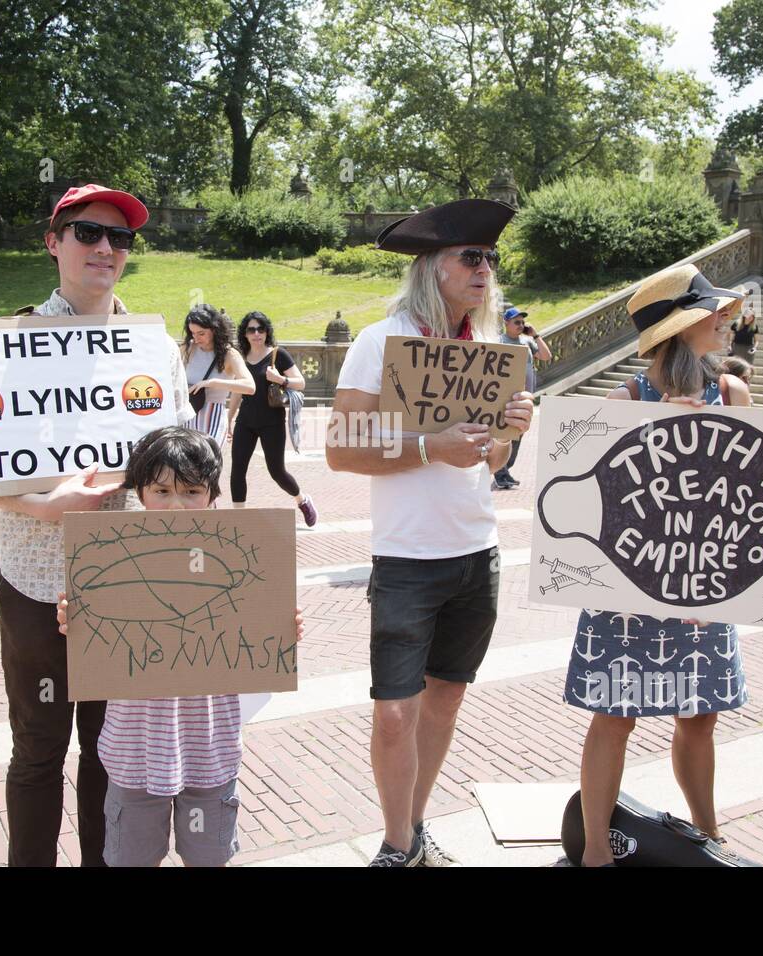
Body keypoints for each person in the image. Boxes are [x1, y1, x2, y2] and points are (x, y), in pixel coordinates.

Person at [0, 183, 193, 866]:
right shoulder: (11, 342)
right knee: (39, 752)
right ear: (54, 242)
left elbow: (183, 454)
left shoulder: (154, 346)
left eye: (120, 238)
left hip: (126, 581)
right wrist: (44, 506)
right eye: (87, 233)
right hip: (38, 580)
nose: (105, 247)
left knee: (113, 755)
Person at [326, 198, 534, 866]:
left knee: (445, 699)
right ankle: (394, 845)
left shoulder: (494, 349)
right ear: (433, 267)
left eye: (490, 259)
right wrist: (430, 446)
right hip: (407, 560)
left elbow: (492, 457)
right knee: (395, 709)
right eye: (471, 256)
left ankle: (412, 829)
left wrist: (509, 434)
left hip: (478, 554)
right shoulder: (380, 342)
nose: (484, 269)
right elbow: (341, 448)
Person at [568, 263, 751, 868]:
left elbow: (755, 497)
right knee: (614, 715)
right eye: (716, 313)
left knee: (700, 717)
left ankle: (709, 841)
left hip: (703, 584)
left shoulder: (733, 393)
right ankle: (595, 852)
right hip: (631, 584)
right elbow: (584, 497)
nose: (728, 321)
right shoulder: (624, 400)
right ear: (686, 324)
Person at [56, 427, 304, 866]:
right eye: (162, 490)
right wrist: (74, 624)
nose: (176, 504)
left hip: (210, 750)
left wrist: (282, 630)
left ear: (212, 497)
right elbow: (98, 640)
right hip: (133, 752)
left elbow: (258, 641)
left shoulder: (241, 555)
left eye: (191, 491)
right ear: (141, 494)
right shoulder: (113, 558)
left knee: (208, 858)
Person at [226, 310, 317, 526]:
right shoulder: (241, 357)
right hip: (246, 422)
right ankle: (239, 518)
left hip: (272, 422)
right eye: (251, 329)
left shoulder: (278, 354)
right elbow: (238, 391)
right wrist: (229, 419)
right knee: (237, 469)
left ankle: (302, 500)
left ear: (267, 332)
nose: (256, 333)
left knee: (277, 471)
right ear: (245, 333)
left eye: (261, 329)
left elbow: (300, 383)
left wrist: (280, 379)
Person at [493, 304, 551, 489]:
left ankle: (505, 470)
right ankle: (500, 472)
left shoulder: (527, 342)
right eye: (517, 321)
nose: (521, 324)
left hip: (526, 398)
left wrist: (534, 334)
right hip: (506, 397)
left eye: (522, 321)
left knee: (519, 433)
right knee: (505, 433)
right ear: (506, 323)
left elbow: (546, 355)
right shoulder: (499, 341)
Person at [181, 304, 254, 452]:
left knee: (207, 467)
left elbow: (250, 386)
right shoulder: (188, 348)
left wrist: (212, 383)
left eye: (201, 333)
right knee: (188, 470)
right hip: (188, 415)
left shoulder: (229, 354)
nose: (196, 338)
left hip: (213, 417)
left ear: (214, 329)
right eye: (192, 333)